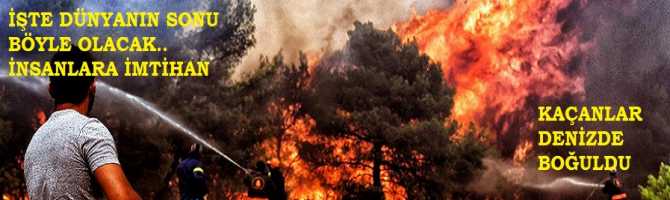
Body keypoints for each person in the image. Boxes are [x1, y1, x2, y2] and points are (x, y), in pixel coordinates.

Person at [24, 46, 140, 200]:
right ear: (92, 86)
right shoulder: (89, 130)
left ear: (51, 89)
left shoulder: (34, 144)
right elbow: (122, 197)